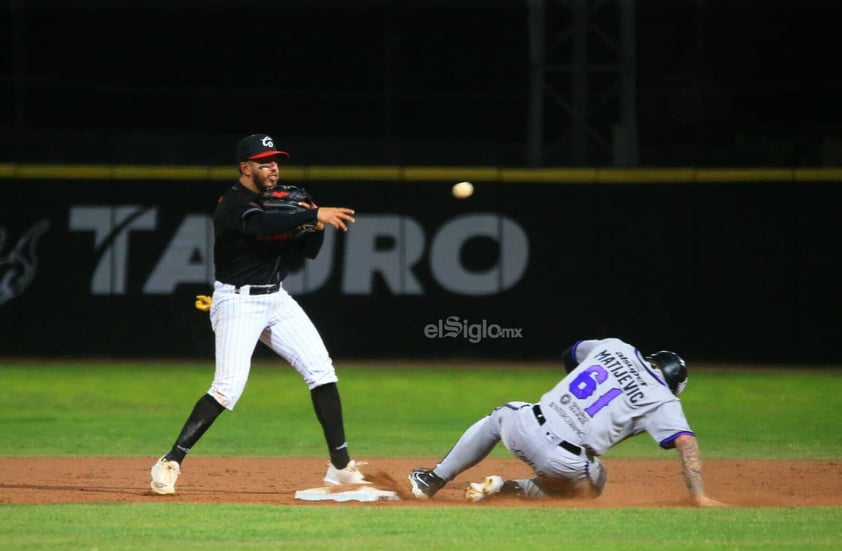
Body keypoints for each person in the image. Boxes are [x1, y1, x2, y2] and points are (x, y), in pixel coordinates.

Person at [150, 133, 364, 495]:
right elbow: (259, 227)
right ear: (245, 168)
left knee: (321, 371)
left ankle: (341, 468)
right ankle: (170, 461)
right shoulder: (233, 203)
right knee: (227, 388)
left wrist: (314, 226)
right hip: (237, 302)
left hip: (276, 300)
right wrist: (311, 213)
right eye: (264, 162)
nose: (273, 167)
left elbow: (307, 250)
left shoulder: (280, 203)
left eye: (276, 160)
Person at [408, 337, 727, 507]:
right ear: (673, 384)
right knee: (594, 486)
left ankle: (432, 479)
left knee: (501, 414)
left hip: (524, 425)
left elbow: (571, 353)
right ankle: (509, 489)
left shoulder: (617, 347)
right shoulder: (662, 398)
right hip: (563, 462)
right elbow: (685, 442)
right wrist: (698, 496)